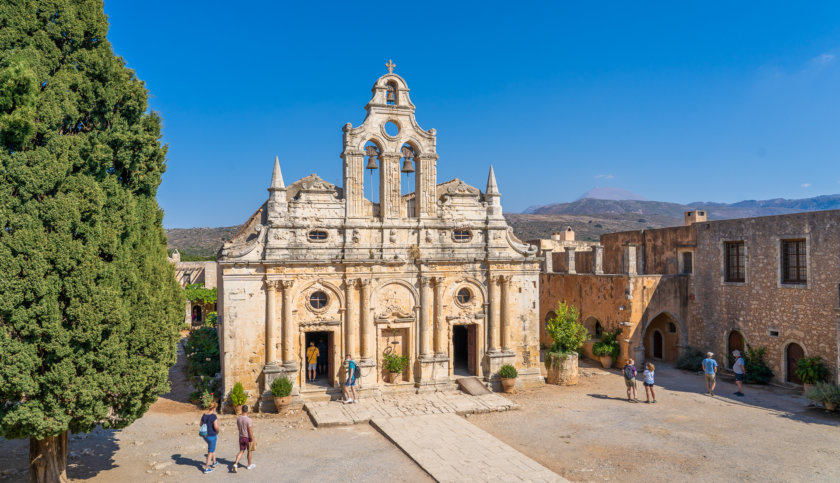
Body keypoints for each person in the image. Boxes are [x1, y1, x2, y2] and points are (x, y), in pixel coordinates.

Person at [232, 405, 255, 472]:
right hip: (247, 437)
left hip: (241, 436)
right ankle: (249, 465)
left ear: (242, 410)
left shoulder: (238, 419)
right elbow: (250, 430)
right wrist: (252, 439)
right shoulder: (249, 420)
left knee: (241, 451)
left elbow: (239, 428)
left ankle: (235, 464)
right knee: (249, 451)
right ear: (247, 411)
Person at [200, 401, 219, 474]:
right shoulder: (214, 416)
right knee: (210, 452)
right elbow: (216, 427)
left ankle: (214, 462)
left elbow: (200, 424)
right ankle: (206, 468)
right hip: (212, 436)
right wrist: (218, 432)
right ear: (214, 408)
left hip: (205, 436)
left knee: (212, 447)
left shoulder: (204, 415)